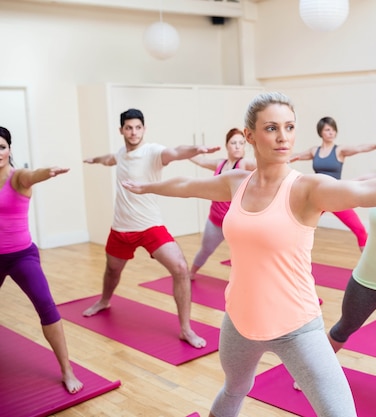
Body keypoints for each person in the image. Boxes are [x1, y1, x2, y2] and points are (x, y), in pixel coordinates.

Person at [120, 92, 376, 417]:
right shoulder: (236, 182)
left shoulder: (307, 188)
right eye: (271, 128)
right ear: (249, 135)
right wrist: (146, 188)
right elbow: (187, 184)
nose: (283, 137)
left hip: (297, 327)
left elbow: (370, 191)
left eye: (289, 127)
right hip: (239, 321)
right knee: (235, 391)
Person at [81, 108, 218, 349]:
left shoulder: (153, 152)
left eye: (138, 128)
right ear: (121, 130)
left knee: (180, 268)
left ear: (144, 129)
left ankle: (185, 329)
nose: (134, 132)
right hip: (121, 227)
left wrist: (196, 150)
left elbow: (175, 152)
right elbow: (110, 158)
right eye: (129, 128)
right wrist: (95, 159)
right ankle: (104, 300)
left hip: (149, 226)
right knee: (112, 271)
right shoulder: (121, 153)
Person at [0, 126, 83, 394]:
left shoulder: (18, 178)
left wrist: (47, 172)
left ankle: (67, 370)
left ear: (9, 149)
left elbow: (31, 175)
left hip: (22, 256)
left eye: (1, 147)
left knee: (47, 308)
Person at [290, 116, 376, 251]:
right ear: (321, 132)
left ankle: (368, 264)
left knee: (360, 230)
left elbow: (359, 148)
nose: (331, 133)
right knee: (298, 226)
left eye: (333, 130)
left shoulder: (339, 150)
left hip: (335, 195)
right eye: (328, 130)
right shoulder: (314, 151)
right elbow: (296, 156)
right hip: (317, 197)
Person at [188, 128, 256, 279]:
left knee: (246, 256)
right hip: (216, 220)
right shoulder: (220, 163)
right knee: (206, 250)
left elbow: (262, 163)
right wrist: (182, 152)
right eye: (233, 143)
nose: (238, 146)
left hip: (237, 223)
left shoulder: (244, 163)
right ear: (227, 146)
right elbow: (201, 161)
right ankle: (190, 273)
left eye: (241, 143)